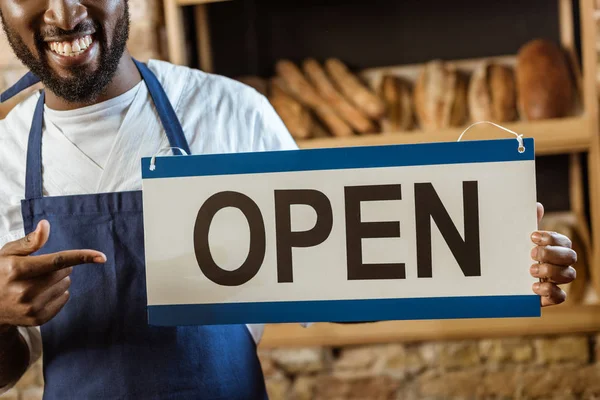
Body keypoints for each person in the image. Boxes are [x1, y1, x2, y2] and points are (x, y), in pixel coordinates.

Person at [0, 0, 578, 398]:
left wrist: (505, 259)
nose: (63, 10)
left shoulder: (229, 114)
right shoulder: (2, 156)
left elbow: (346, 278)